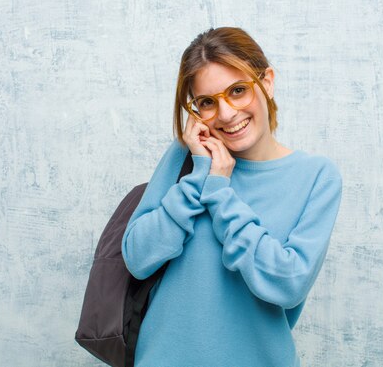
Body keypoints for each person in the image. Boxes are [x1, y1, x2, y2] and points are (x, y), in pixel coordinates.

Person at [121, 26, 343, 367]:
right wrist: (199, 178)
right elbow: (138, 257)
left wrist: (221, 195)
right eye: (207, 102)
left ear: (266, 82)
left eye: (238, 91)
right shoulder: (187, 156)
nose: (226, 114)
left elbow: (288, 284)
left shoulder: (316, 177)